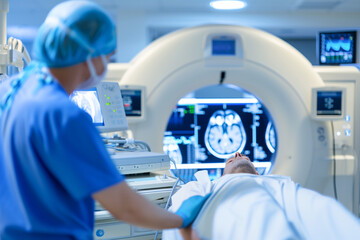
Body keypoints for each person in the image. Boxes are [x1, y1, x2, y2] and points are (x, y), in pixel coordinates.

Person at [0, 1, 206, 239]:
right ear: (90, 55)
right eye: (108, 57)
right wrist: (180, 218)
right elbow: (123, 205)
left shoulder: (8, 90)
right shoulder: (64, 116)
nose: (106, 66)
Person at [163, 152, 360, 240]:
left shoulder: (280, 184)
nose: (238, 154)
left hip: (283, 200)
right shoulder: (209, 186)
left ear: (258, 173)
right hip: (228, 203)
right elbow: (185, 206)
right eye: (231, 159)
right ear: (221, 176)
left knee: (324, 209)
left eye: (245, 158)